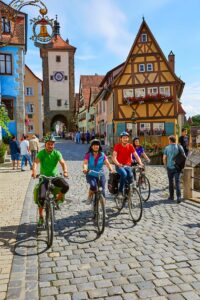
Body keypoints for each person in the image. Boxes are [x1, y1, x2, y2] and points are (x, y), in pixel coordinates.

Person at [32, 136, 69, 225]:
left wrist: (65, 171)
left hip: (54, 177)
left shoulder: (57, 153)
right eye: (48, 144)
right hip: (44, 178)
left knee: (66, 186)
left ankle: (57, 199)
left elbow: (63, 162)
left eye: (52, 144)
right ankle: (41, 217)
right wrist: (34, 172)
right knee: (41, 198)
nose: (50, 146)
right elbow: (35, 163)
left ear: (54, 145)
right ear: (45, 144)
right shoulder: (41, 153)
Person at [112, 132, 143, 199]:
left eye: (126, 138)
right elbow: (114, 157)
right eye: (124, 138)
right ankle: (120, 192)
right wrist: (118, 164)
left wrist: (140, 163)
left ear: (128, 138)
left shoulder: (130, 146)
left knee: (130, 176)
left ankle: (127, 191)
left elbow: (136, 155)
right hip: (119, 165)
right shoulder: (117, 146)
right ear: (121, 139)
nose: (125, 139)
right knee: (124, 174)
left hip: (127, 165)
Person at [83, 139, 114, 204]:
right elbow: (85, 163)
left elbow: (107, 163)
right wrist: (85, 169)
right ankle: (89, 196)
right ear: (91, 146)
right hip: (91, 174)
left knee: (102, 190)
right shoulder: (88, 154)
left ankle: (103, 211)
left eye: (97, 145)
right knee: (93, 186)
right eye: (94, 145)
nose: (96, 146)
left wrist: (111, 169)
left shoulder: (102, 155)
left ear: (99, 146)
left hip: (100, 174)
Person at [163, 135, 185, 203]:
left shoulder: (167, 148)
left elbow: (164, 158)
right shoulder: (179, 146)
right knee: (177, 182)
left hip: (169, 167)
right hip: (177, 167)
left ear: (170, 140)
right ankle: (178, 197)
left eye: (168, 140)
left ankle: (171, 196)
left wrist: (165, 166)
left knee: (171, 182)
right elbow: (184, 156)